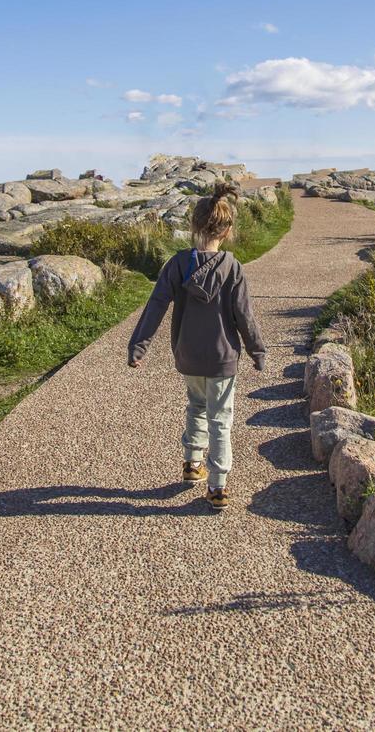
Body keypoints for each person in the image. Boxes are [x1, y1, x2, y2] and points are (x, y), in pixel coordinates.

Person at [127, 182, 266, 511]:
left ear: (193, 225)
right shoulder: (232, 268)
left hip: (188, 354)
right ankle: (217, 486)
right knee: (222, 419)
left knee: (196, 406)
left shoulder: (177, 264)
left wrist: (138, 346)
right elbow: (244, 315)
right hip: (222, 358)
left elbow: (156, 306)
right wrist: (257, 351)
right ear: (227, 230)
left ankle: (192, 463)